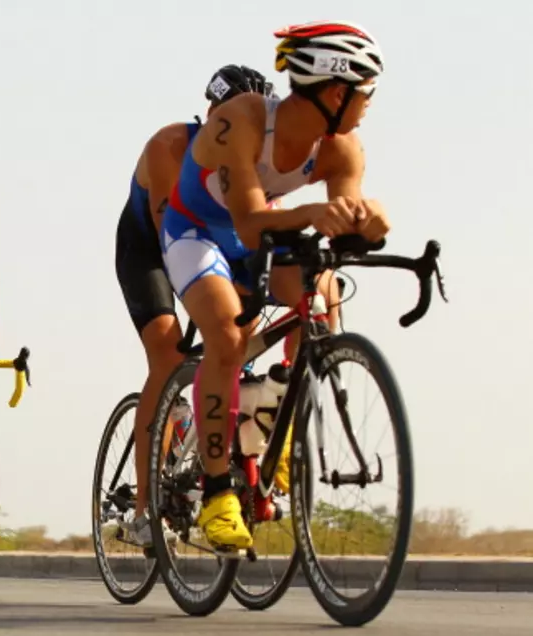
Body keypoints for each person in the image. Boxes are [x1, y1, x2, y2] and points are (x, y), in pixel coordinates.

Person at [159, 20, 390, 553]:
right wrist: (315, 210)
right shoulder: (241, 119)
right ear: (336, 91)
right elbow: (246, 223)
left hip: (264, 231)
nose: (369, 104)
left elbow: (343, 221)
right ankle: (217, 492)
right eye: (367, 92)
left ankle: (283, 417)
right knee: (226, 336)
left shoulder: (343, 150)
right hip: (197, 230)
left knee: (324, 290)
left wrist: (370, 219)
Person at [114, 64, 275, 548]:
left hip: (219, 249)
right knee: (168, 356)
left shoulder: (260, 161)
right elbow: (173, 238)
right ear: (212, 114)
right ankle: (144, 509)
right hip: (154, 249)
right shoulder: (171, 148)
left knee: (238, 348)